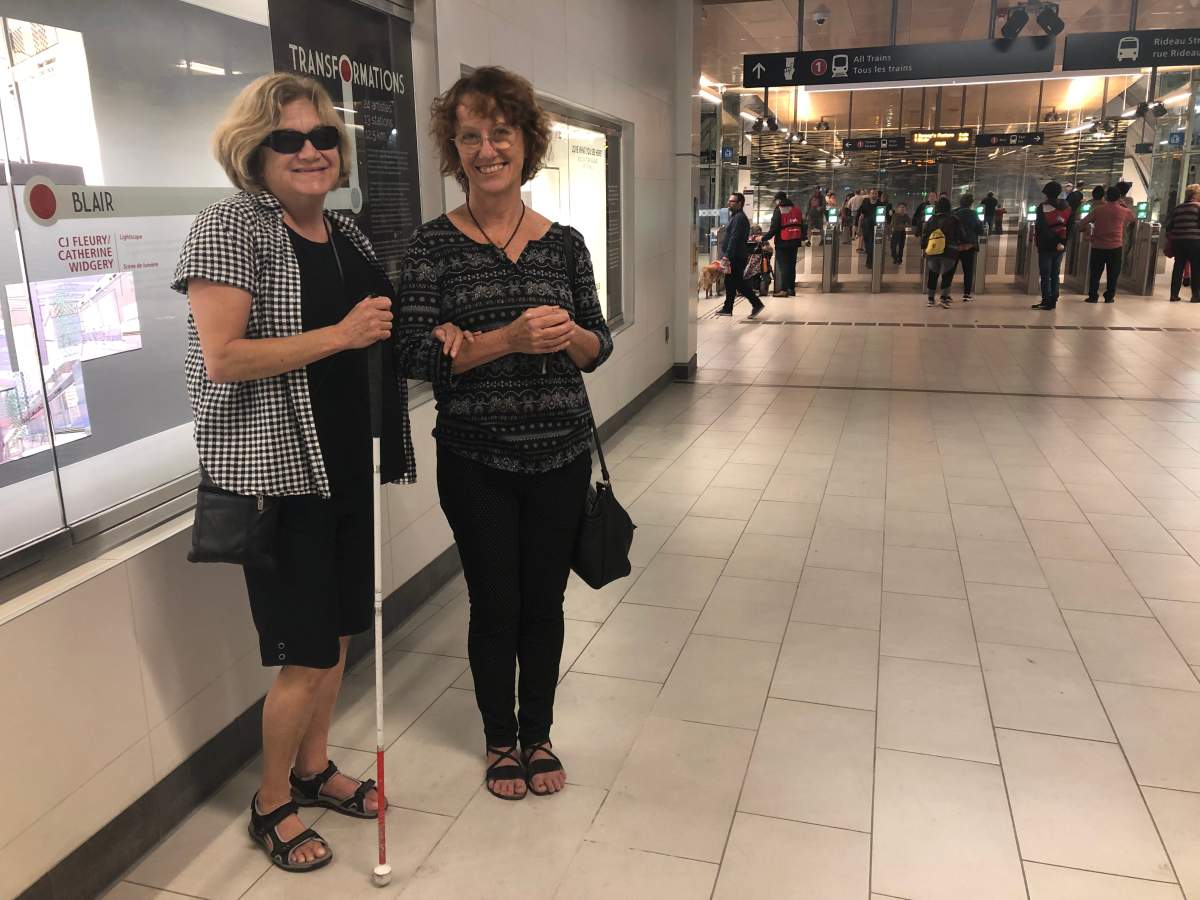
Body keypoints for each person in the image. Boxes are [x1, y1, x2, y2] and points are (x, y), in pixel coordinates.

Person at [173, 73, 466, 873]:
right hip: (281, 479)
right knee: (304, 653)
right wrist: (339, 336)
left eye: (322, 138)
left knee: (335, 638)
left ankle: (312, 769)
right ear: (254, 153)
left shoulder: (348, 236)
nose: (309, 152)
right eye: (287, 140)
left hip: (344, 468)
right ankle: (271, 802)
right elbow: (225, 357)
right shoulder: (231, 227)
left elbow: (378, 328)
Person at [395, 66, 613, 802]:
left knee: (542, 602)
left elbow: (598, 347)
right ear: (453, 152)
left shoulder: (566, 245)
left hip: (559, 454)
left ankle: (539, 734)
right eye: (470, 137)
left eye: (501, 133)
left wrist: (569, 335)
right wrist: (505, 339)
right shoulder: (430, 248)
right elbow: (417, 353)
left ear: (527, 142)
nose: (487, 149)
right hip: (474, 458)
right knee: (494, 600)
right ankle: (498, 739)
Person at [1081, 185, 1134, 303]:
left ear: (1106, 196)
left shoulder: (1099, 210)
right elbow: (1133, 218)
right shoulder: (1124, 211)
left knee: (1095, 273)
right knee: (1113, 274)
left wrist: (1088, 236)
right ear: (1119, 197)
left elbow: (1083, 222)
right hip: (1115, 247)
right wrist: (1123, 204)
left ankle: (1093, 296)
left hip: (1098, 246)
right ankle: (1109, 297)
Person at [717, 192, 765, 317]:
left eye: (732, 201)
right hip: (735, 255)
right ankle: (728, 308)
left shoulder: (739, 218)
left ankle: (756, 304)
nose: (729, 203)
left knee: (738, 283)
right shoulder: (736, 217)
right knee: (731, 283)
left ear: (740, 203)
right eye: (729, 200)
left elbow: (735, 238)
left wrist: (727, 255)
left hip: (735, 256)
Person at [1031, 180, 1074, 310]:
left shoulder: (1043, 207)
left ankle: (1046, 300)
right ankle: (1054, 298)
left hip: (1046, 245)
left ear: (1047, 193)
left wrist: (1053, 241)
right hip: (1061, 245)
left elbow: (1042, 227)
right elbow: (1070, 226)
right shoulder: (1068, 207)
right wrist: (1062, 242)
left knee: (1045, 274)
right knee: (1055, 273)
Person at [920, 196, 965, 308]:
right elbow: (962, 234)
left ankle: (931, 299)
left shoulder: (931, 219)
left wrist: (924, 248)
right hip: (950, 250)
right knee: (947, 274)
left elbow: (925, 234)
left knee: (933, 273)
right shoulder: (954, 219)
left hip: (933, 250)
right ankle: (943, 299)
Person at [1165, 183, 1200, 303]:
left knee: (1178, 267)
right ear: (1196, 195)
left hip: (1178, 242)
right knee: (1196, 268)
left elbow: (1169, 226)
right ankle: (1196, 296)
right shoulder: (1198, 207)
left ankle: (1173, 295)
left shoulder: (1178, 208)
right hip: (1194, 242)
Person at [765, 191, 802, 296]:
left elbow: (774, 228)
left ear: (779, 200)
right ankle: (791, 289)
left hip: (783, 241)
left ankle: (784, 290)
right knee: (791, 265)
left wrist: (764, 238)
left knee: (783, 266)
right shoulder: (796, 209)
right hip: (795, 241)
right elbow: (802, 224)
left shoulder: (779, 210)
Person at [951, 193, 985, 301]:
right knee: (968, 270)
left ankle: (946, 294)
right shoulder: (973, 214)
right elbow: (980, 230)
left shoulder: (954, 213)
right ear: (971, 203)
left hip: (955, 246)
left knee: (950, 270)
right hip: (968, 246)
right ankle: (966, 294)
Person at [855, 188, 881, 269]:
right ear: (869, 194)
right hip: (866, 228)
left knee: (873, 246)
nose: (874, 195)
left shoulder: (880, 204)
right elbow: (861, 216)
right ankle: (870, 261)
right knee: (868, 246)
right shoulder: (865, 203)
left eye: (875, 193)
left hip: (876, 228)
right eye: (872, 193)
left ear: (877, 195)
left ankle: (870, 262)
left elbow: (883, 217)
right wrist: (858, 228)